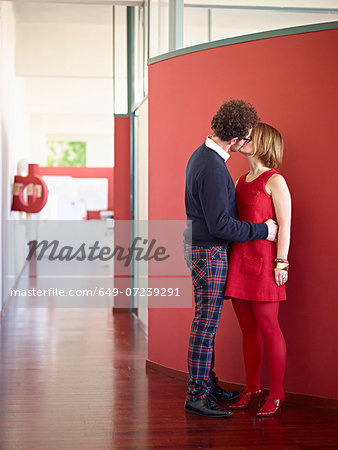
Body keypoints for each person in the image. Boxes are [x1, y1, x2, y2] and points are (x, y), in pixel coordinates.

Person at [183, 100, 278, 418]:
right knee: (206, 325)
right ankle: (197, 394)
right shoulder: (212, 166)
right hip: (209, 251)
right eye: (247, 136)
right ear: (236, 139)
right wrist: (263, 229)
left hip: (203, 248)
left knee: (204, 322)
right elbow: (220, 225)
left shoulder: (204, 156)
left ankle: (206, 384)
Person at [225, 122, 291, 417]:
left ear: (265, 143)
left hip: (266, 265)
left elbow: (285, 225)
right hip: (239, 263)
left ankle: (276, 393)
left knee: (269, 328)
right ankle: (252, 388)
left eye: (252, 137)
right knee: (247, 330)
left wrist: (282, 262)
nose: (245, 140)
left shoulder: (275, 180)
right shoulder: (240, 180)